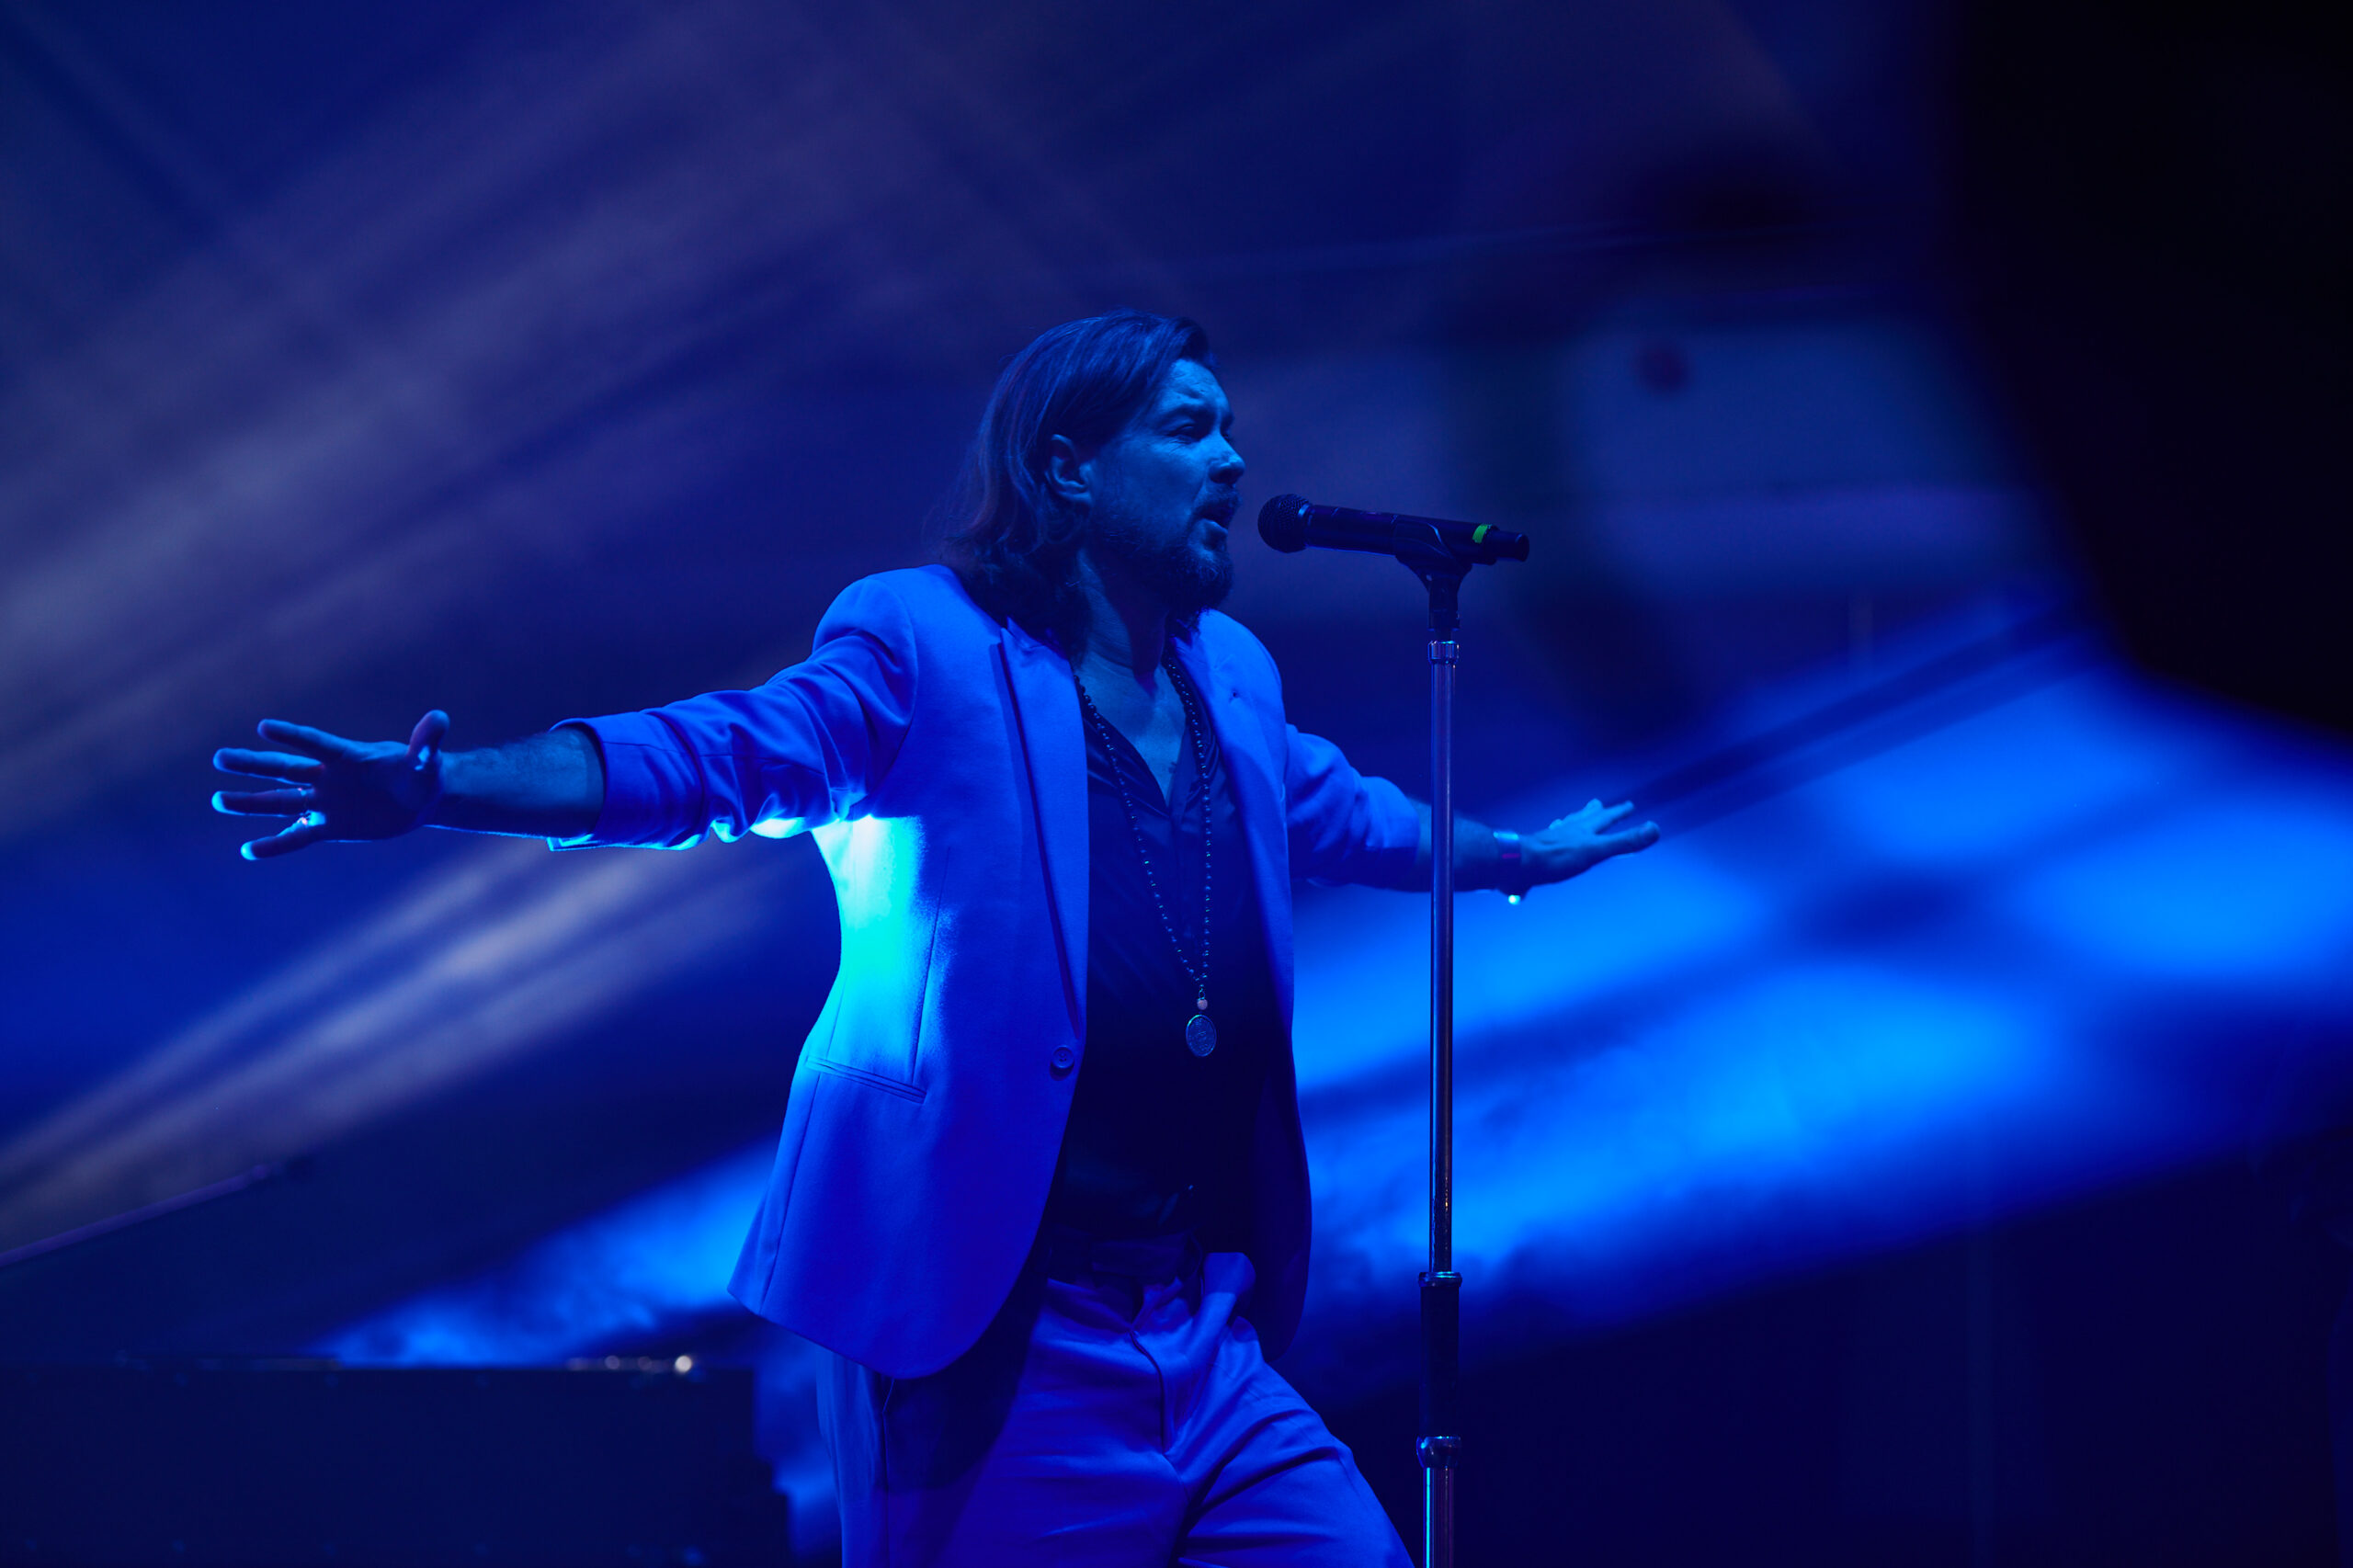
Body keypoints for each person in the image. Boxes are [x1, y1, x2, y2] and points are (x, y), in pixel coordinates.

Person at [211, 309, 1658, 1564]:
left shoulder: (1232, 673)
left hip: (1205, 1329)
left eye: (1230, 429)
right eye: (1188, 428)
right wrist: (444, 786)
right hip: (998, 1335)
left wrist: (1513, 856)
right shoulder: (925, 644)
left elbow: (1341, 811)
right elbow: (716, 756)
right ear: (1069, 466)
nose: (1231, 461)